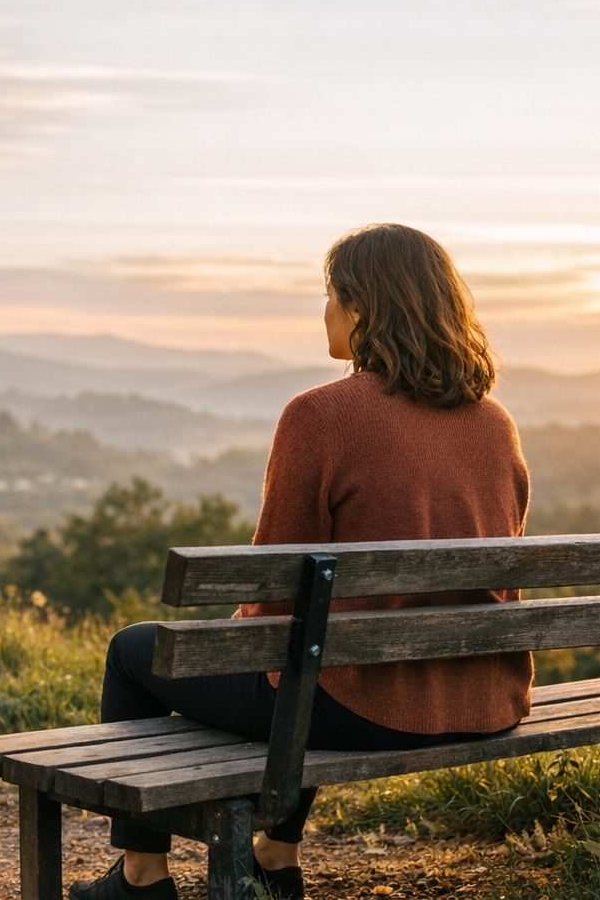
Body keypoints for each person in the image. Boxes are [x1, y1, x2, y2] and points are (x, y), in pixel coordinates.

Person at [69, 224, 532, 900]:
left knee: (137, 653)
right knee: (316, 655)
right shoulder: (494, 422)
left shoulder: (320, 416)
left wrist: (235, 640)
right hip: (486, 693)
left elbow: (277, 582)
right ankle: (275, 854)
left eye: (330, 296)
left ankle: (141, 876)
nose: (325, 311)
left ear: (363, 309)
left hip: (366, 705)